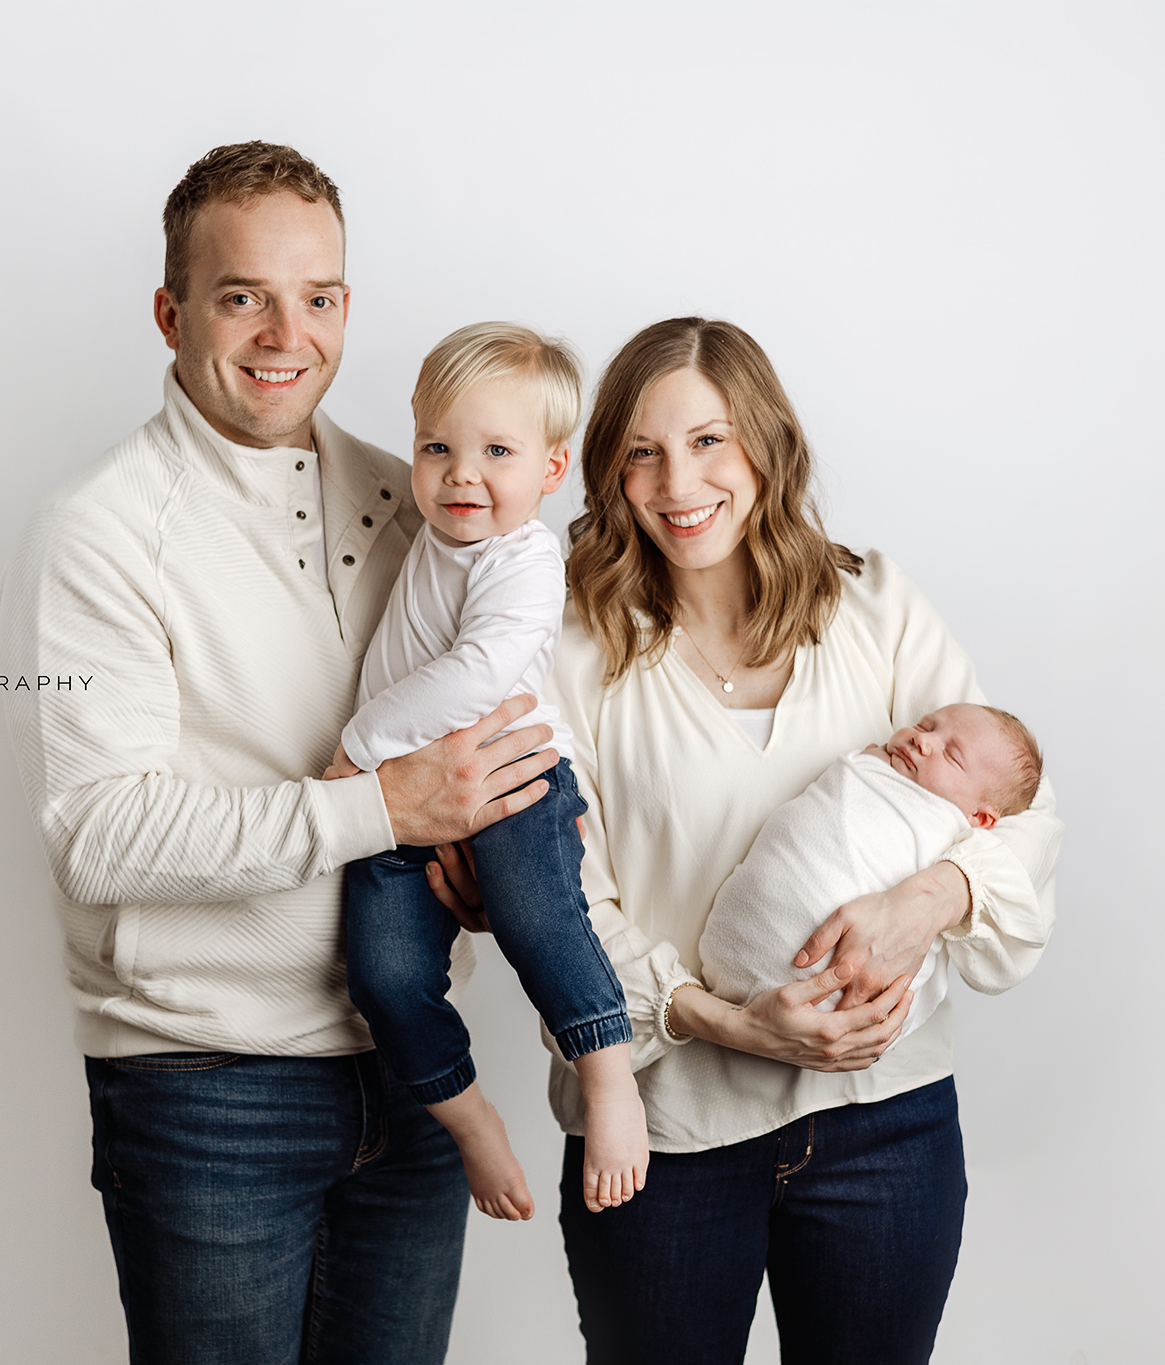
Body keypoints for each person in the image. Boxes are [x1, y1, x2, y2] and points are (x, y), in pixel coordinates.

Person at [0, 142, 558, 1365]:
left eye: (317, 297)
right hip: (206, 1088)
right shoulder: (98, 534)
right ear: (171, 313)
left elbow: (494, 706)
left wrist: (464, 845)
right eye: (242, 294)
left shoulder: (416, 494)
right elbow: (99, 836)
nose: (281, 333)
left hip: (412, 1067)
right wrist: (384, 808)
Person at [427, 317, 1064, 1364]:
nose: (678, 482)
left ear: (765, 445)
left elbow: (1019, 815)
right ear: (603, 470)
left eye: (708, 441)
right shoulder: (554, 646)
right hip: (660, 1137)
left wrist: (926, 901)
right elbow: (558, 901)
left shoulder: (874, 605)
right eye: (640, 450)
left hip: (885, 1124)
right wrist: (731, 1022)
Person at [323, 322, 649, 1223]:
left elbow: (478, 674)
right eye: (438, 447)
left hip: (511, 783)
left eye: (496, 452)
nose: (462, 473)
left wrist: (358, 746)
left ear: (551, 470)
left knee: (537, 917)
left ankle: (609, 1074)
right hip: (404, 804)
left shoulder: (527, 560)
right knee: (381, 977)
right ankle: (467, 1117)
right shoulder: (432, 532)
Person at [700, 702, 1044, 1047]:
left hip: (848, 1008)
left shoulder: (960, 836)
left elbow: (1036, 839)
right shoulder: (874, 765)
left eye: (952, 756)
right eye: (924, 726)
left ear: (981, 819)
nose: (923, 742)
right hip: (727, 978)